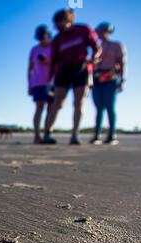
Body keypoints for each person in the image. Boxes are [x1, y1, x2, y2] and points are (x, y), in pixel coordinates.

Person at [43, 9, 101, 145]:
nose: (57, 27)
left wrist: (94, 57)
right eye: (55, 25)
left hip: (81, 69)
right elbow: (53, 61)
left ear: (68, 20)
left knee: (79, 102)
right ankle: (47, 133)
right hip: (63, 71)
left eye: (59, 24)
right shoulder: (57, 39)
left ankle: (75, 134)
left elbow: (96, 47)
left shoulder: (83, 30)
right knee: (57, 102)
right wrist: (49, 81)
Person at [90, 22, 126, 145]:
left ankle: (112, 134)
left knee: (110, 106)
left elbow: (122, 63)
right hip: (96, 79)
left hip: (110, 78)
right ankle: (97, 135)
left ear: (108, 31)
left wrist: (122, 80)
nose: (98, 34)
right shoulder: (97, 47)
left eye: (101, 31)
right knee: (99, 108)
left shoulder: (116, 45)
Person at [28, 25, 55, 144]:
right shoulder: (34, 50)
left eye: (42, 37)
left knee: (51, 108)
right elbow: (30, 68)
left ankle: (47, 134)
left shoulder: (54, 47)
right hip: (38, 82)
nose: (41, 40)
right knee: (39, 108)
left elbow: (59, 62)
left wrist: (48, 61)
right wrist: (29, 84)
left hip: (53, 81)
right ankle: (37, 136)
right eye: (39, 38)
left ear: (48, 35)